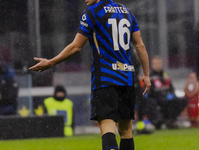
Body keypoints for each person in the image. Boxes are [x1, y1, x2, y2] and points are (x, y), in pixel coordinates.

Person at [29, 0, 151, 150]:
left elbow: (76, 47)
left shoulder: (92, 12)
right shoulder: (126, 11)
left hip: (106, 78)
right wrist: (146, 74)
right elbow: (140, 45)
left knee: (107, 125)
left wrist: (51, 62)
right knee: (126, 130)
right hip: (127, 78)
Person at [147, 56, 187, 129]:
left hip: (167, 97)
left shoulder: (166, 75)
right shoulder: (150, 76)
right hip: (156, 98)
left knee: (182, 100)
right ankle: (158, 121)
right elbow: (150, 91)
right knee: (150, 102)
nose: (157, 65)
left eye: (159, 63)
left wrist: (172, 94)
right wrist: (162, 96)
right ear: (152, 65)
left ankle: (170, 120)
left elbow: (171, 88)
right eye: (155, 63)